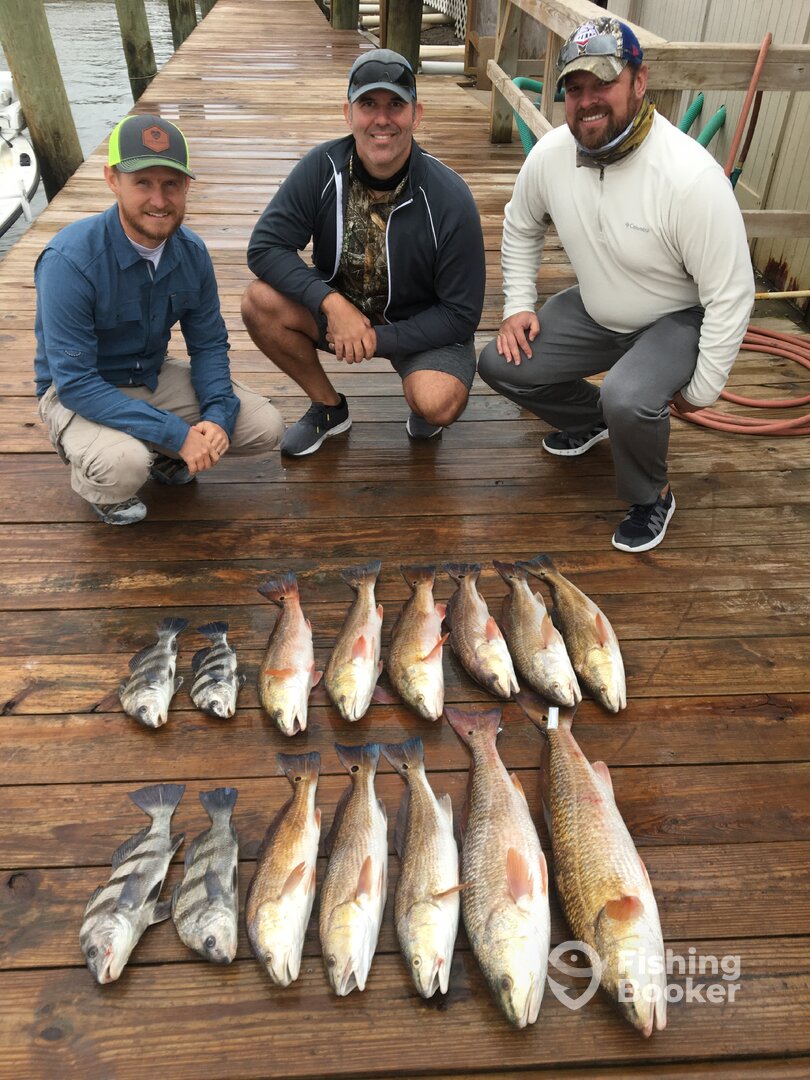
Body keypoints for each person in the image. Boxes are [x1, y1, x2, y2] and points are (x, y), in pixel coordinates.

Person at [478, 17, 755, 552]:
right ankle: (593, 420)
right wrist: (516, 304)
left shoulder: (689, 178)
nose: (588, 101)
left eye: (603, 83)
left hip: (675, 318)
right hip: (597, 308)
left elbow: (732, 291)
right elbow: (520, 222)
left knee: (628, 396)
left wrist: (704, 386)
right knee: (498, 362)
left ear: (639, 82)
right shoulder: (551, 154)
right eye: (575, 89)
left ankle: (652, 495)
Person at [34, 113, 284, 525]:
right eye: (143, 183)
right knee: (122, 465)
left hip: (149, 375)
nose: (159, 199)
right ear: (112, 180)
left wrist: (216, 416)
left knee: (264, 426)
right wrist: (178, 434)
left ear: (186, 186)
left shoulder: (192, 252)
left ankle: (164, 455)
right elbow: (75, 382)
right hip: (77, 391)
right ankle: (106, 483)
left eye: (171, 184)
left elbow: (207, 344)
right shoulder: (69, 261)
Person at [241, 48, 486, 456]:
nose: (382, 119)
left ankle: (421, 396)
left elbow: (461, 314)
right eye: (368, 104)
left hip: (419, 321)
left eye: (396, 105)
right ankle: (328, 406)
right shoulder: (321, 167)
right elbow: (265, 246)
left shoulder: (450, 197)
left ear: (417, 114)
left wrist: (375, 338)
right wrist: (332, 304)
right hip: (341, 311)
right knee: (258, 302)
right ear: (348, 113)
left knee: (438, 401)